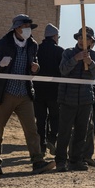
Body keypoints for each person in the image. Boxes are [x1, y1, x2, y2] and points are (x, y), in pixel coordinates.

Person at [0, 14, 56, 178]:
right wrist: (0, 64)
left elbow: (34, 63)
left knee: (32, 130)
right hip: (6, 93)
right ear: (16, 28)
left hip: (24, 93)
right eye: (25, 27)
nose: (28, 30)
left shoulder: (32, 45)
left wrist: (35, 68)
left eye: (29, 27)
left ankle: (37, 161)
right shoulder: (3, 44)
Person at [56, 26, 95, 172]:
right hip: (67, 98)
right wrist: (75, 59)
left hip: (85, 100)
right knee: (64, 132)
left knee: (81, 132)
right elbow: (63, 70)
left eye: (87, 38)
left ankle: (76, 160)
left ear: (91, 42)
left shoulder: (94, 56)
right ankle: (60, 161)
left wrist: (90, 62)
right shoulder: (68, 52)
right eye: (81, 37)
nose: (83, 40)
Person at [33, 22, 63, 157]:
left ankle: (42, 146)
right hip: (54, 91)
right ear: (55, 36)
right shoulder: (59, 51)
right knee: (55, 117)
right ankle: (52, 139)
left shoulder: (37, 49)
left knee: (40, 119)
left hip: (38, 90)